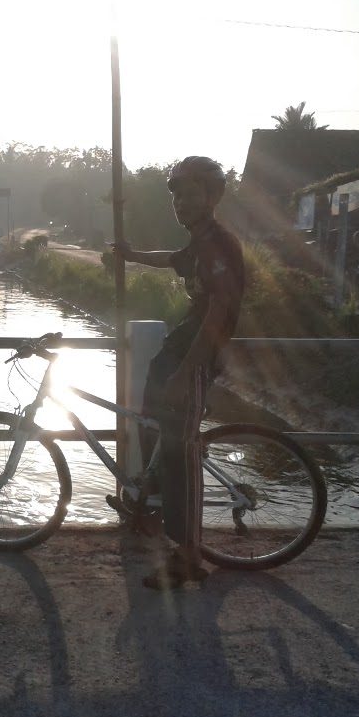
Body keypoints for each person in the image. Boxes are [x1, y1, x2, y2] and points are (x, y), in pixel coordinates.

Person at [112, 156, 245, 590]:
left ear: (212, 197)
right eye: (178, 196)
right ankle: (155, 495)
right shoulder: (198, 243)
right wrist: (131, 255)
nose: (182, 203)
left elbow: (220, 311)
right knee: (158, 433)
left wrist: (187, 373)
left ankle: (189, 558)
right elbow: (170, 259)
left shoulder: (218, 244)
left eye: (191, 194)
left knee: (181, 455)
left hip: (196, 355)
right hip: (179, 349)